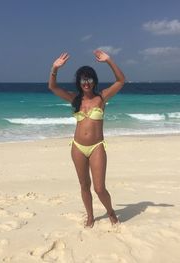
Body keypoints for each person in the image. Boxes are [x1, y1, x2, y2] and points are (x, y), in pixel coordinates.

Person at [48, 50, 125, 228]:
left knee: (99, 188)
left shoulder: (102, 97)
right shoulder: (74, 98)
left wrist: (109, 61)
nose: (86, 82)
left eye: (89, 79)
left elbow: (121, 80)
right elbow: (52, 87)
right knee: (84, 185)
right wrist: (55, 68)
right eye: (83, 79)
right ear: (79, 82)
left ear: (94, 81)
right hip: (77, 148)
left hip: (97, 147)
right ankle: (90, 216)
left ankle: (110, 211)